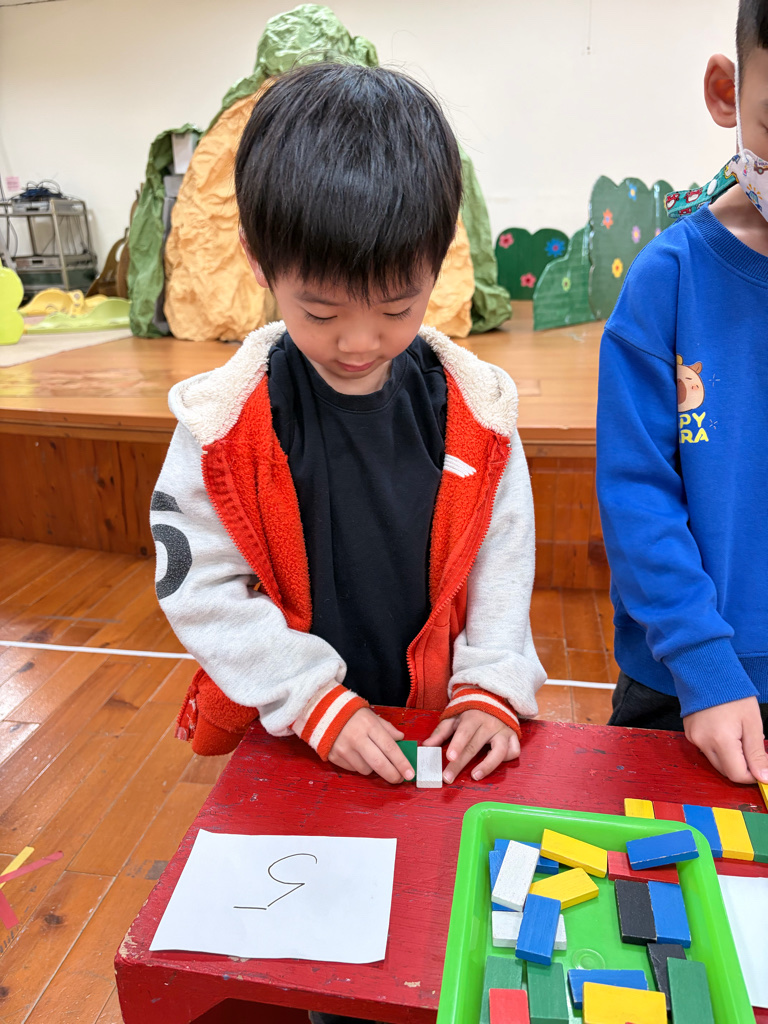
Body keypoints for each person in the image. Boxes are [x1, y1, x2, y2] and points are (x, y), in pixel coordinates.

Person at [150, 62, 544, 1020]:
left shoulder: (476, 411)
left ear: (438, 262)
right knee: (327, 967)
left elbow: (501, 557)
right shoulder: (224, 425)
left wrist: (494, 682)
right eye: (321, 312)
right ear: (260, 263)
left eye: (398, 307)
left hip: (432, 721)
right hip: (298, 730)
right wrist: (311, 702)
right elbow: (198, 586)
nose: (360, 341)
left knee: (438, 935)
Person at [597, 0, 768, 787]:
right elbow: (637, 493)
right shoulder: (668, 279)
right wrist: (702, 659)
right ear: (727, 92)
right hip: (681, 684)